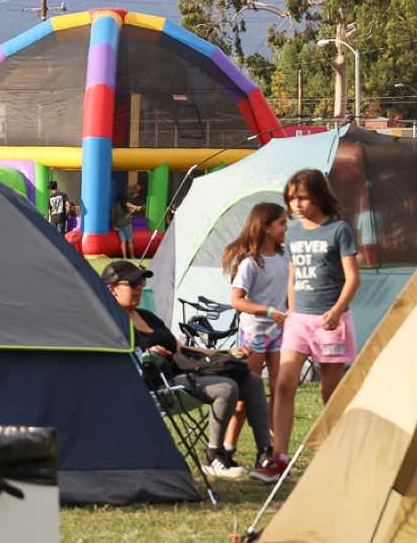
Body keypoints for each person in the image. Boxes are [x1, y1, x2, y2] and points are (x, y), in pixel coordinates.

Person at [101, 261, 278, 482]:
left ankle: (265, 455)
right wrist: (146, 355)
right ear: (112, 289)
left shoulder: (147, 316)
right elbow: (114, 363)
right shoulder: (110, 323)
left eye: (142, 282)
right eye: (134, 283)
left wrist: (223, 353)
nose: (140, 287)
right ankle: (214, 456)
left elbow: (180, 348)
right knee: (225, 388)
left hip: (181, 372)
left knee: (251, 380)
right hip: (155, 385)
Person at [272, 167, 361, 459]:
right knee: (284, 383)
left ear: (319, 197)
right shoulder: (293, 232)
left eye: (303, 198)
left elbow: (352, 278)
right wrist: (291, 312)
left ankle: (336, 450)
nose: (296, 205)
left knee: (330, 390)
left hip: (330, 321)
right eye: (291, 199)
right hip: (299, 321)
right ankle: (279, 454)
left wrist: (336, 311)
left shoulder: (339, 230)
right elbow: (293, 275)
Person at [220, 201, 289, 461]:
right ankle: (227, 448)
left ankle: (271, 449)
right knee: (248, 393)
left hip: (279, 333)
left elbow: (286, 295)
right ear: (266, 227)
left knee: (279, 390)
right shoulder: (251, 263)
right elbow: (237, 301)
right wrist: (268, 311)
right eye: (281, 223)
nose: (285, 228)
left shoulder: (283, 259)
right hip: (255, 334)